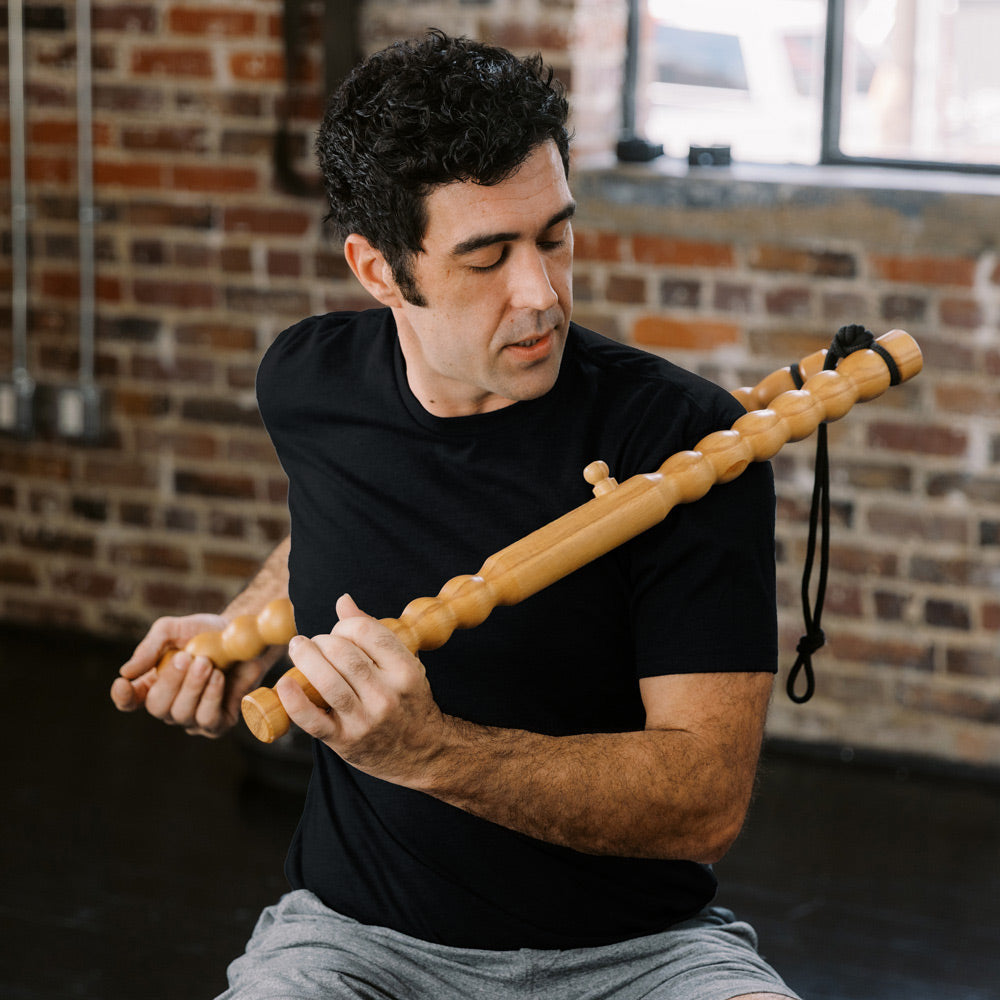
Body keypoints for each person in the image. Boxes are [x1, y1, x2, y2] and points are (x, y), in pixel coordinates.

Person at [112, 30, 799, 1000]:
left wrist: (428, 753)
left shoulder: (684, 439)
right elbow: (330, 521)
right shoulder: (307, 383)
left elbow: (702, 800)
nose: (540, 293)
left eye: (553, 235)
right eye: (487, 257)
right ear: (379, 269)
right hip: (357, 937)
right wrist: (246, 626)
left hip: (638, 952)